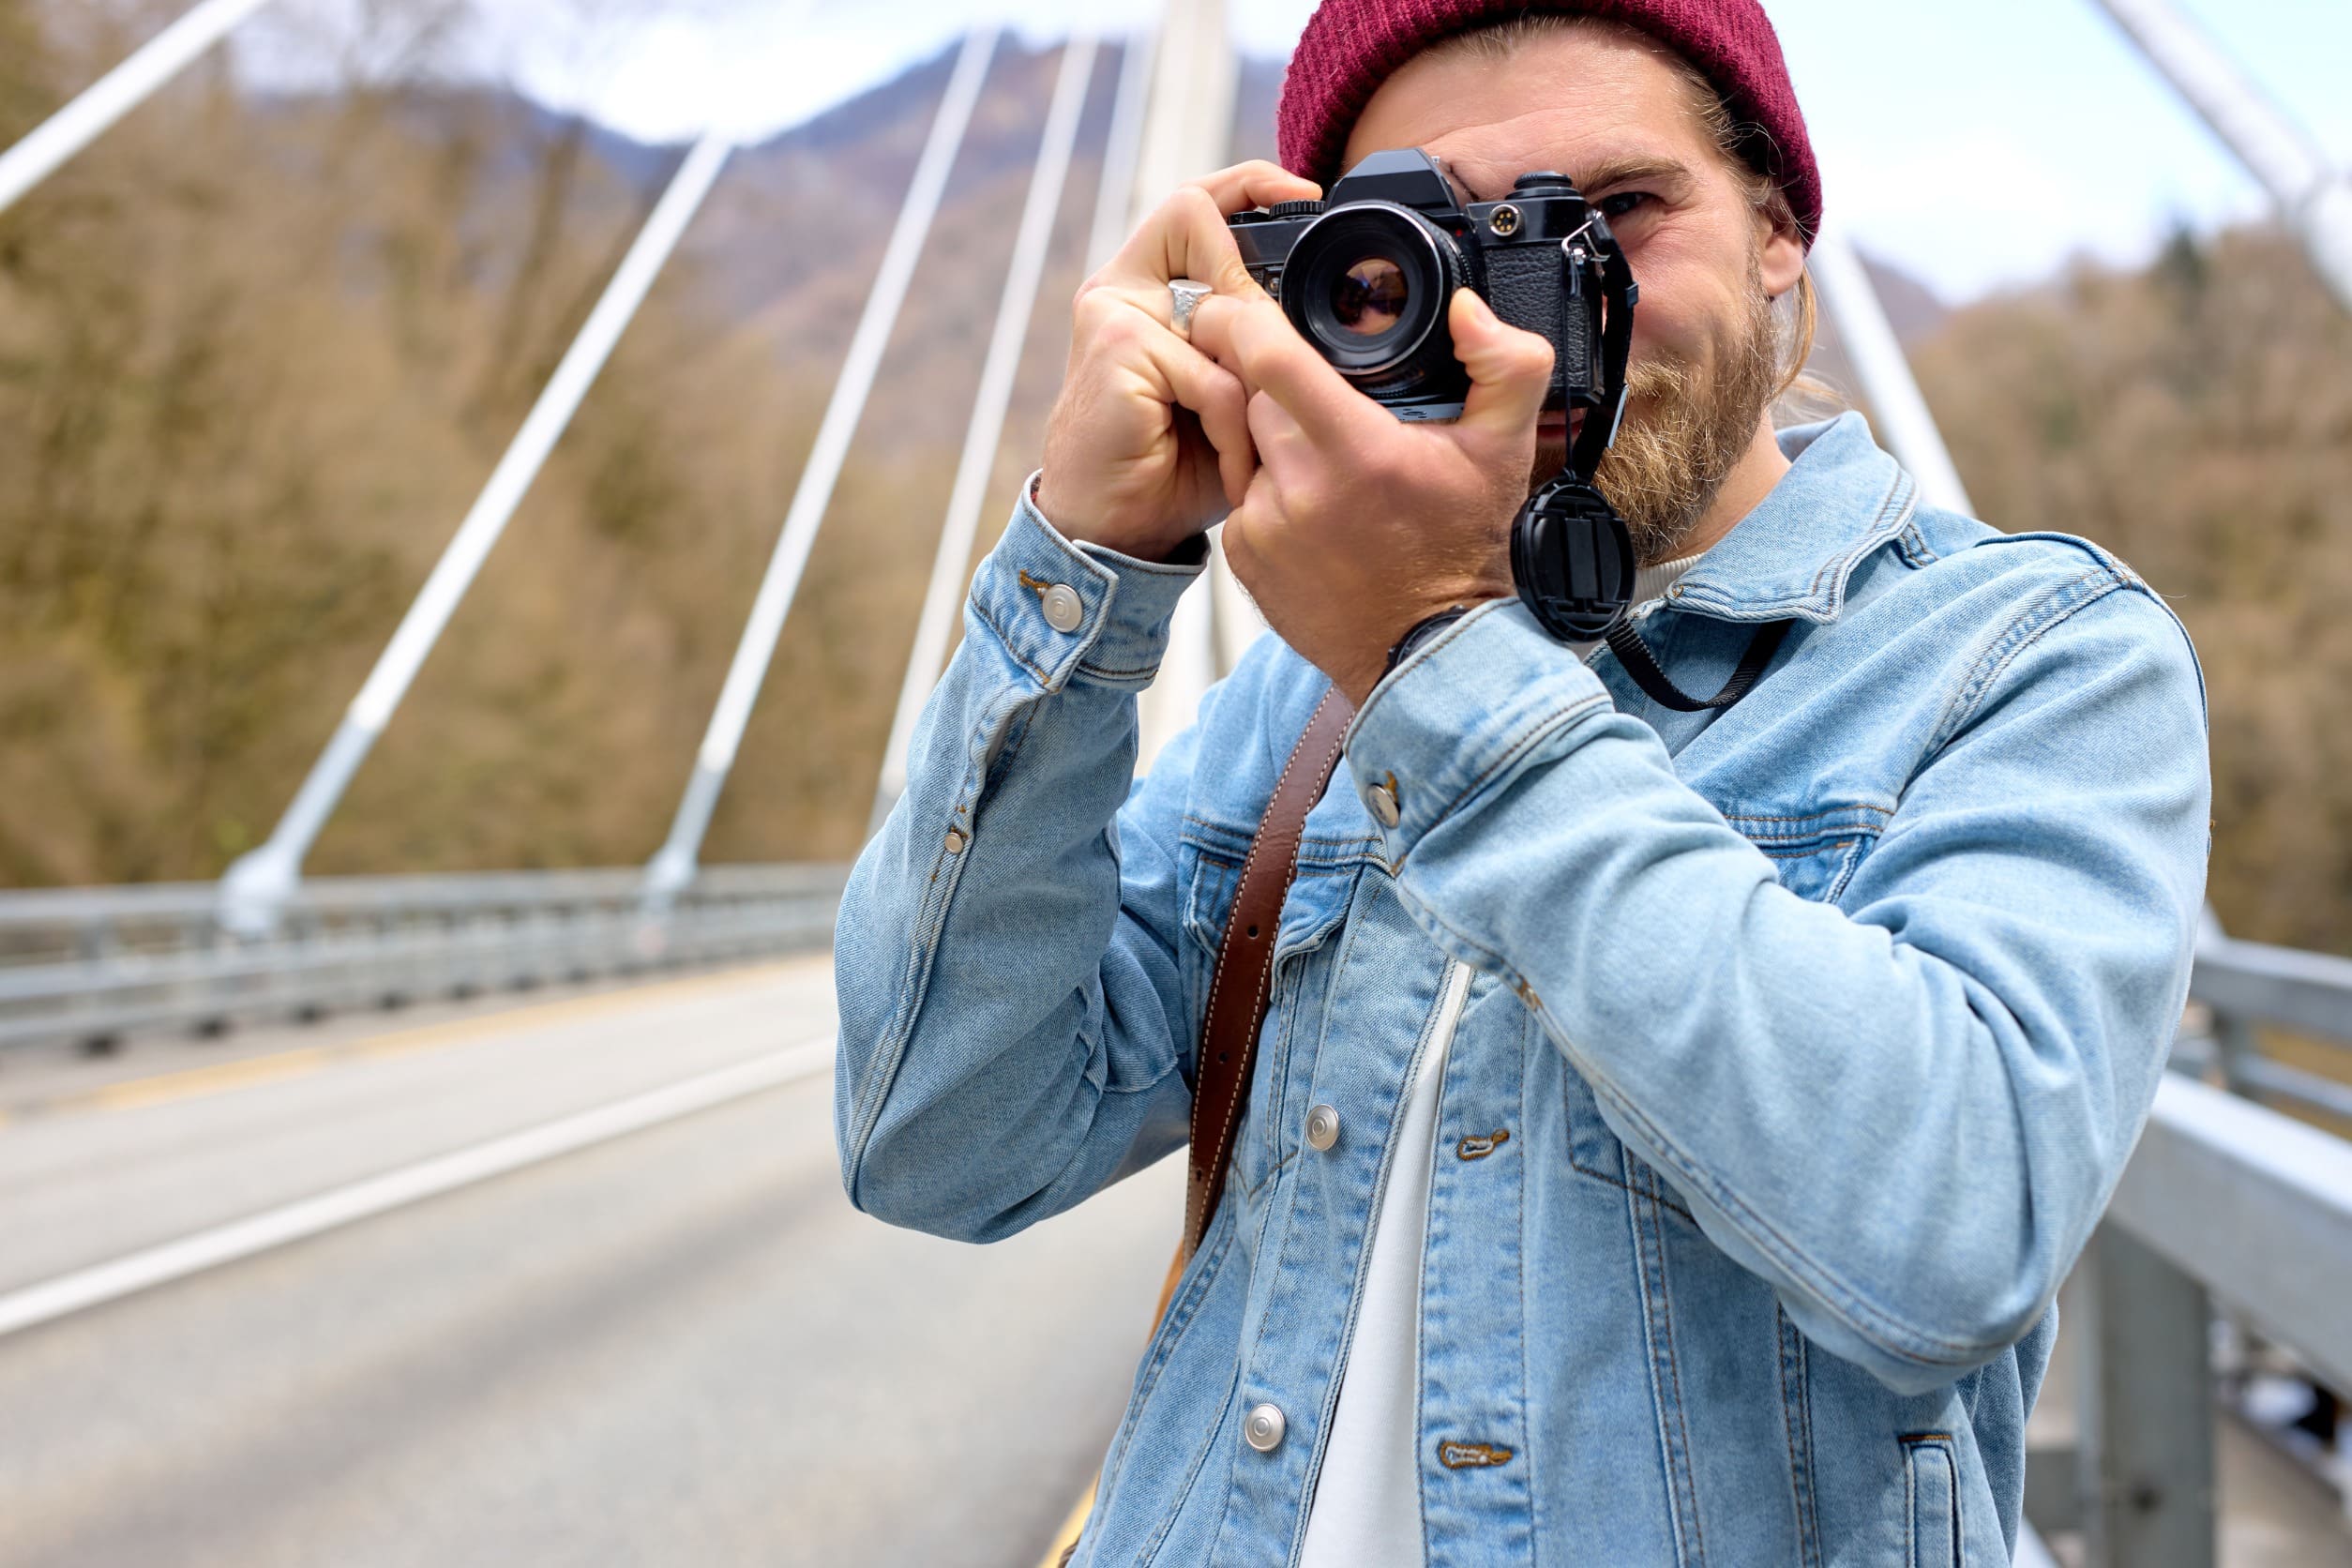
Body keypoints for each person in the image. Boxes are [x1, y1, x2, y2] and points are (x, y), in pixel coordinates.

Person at [831, 1, 2212, 1561]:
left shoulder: (2028, 656)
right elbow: (938, 1145)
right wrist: (1090, 561)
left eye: (1616, 213)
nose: (1532, 324)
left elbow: (1955, 1233)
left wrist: (1429, 654)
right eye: (1429, 247)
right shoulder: (1299, 697)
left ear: (1778, 232)